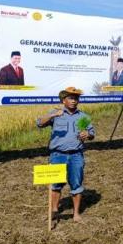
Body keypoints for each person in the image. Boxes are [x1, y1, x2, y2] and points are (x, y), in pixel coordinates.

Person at [36, 86, 95, 226]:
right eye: (71, 98)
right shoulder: (56, 113)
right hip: (57, 155)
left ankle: (76, 214)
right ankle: (54, 211)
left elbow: (91, 133)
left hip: (76, 156)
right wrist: (52, 115)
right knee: (55, 185)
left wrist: (88, 134)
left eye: (76, 98)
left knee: (77, 185)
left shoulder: (84, 117)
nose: (74, 101)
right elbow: (39, 123)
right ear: (64, 100)